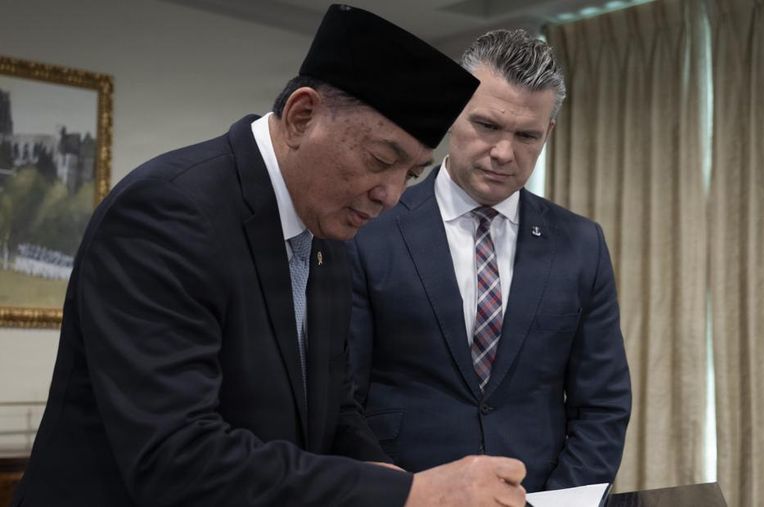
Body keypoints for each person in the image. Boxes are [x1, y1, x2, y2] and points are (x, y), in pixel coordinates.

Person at [12, 6, 528, 507]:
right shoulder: (169, 213)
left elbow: (331, 411)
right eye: (380, 161)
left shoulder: (325, 231)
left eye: (411, 174)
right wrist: (409, 494)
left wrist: (396, 482)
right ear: (303, 115)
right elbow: (177, 458)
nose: (391, 195)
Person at [347, 28, 632, 493]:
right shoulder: (370, 229)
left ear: (548, 134)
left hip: (537, 495)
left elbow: (602, 404)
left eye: (526, 135)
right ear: (452, 113)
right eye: (487, 126)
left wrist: (561, 501)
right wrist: (399, 494)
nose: (504, 152)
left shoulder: (581, 244)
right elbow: (342, 399)